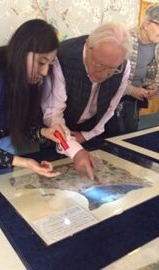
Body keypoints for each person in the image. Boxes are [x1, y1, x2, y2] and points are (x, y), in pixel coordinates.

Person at [0, 19, 66, 177]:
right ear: (21, 52)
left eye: (50, 65)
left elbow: (16, 123)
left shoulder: (22, 77)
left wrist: (44, 132)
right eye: (42, 62)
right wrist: (26, 162)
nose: (44, 72)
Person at [41, 22, 131, 179]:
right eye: (99, 64)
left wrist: (87, 135)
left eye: (112, 69)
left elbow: (110, 107)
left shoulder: (123, 66)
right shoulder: (63, 57)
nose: (104, 74)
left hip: (90, 131)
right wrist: (74, 149)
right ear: (88, 45)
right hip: (56, 131)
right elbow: (52, 113)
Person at [107, 3, 159, 134]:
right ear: (146, 24)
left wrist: (154, 88)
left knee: (129, 135)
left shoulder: (157, 47)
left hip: (134, 103)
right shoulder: (122, 41)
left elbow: (150, 76)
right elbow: (106, 76)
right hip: (111, 100)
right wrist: (131, 90)